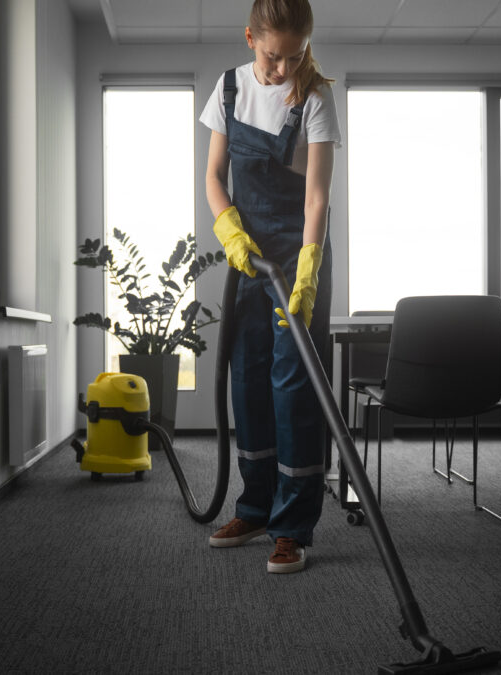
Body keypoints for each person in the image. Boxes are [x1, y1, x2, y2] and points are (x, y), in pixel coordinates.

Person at [198, 0, 341, 573]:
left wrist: (307, 271)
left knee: (294, 386)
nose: (283, 68)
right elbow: (214, 175)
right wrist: (228, 227)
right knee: (248, 377)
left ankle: (293, 527)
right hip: (248, 257)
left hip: (298, 254)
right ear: (250, 37)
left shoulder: (314, 97)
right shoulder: (227, 89)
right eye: (272, 55)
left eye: (296, 55)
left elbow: (317, 198)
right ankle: (255, 507)